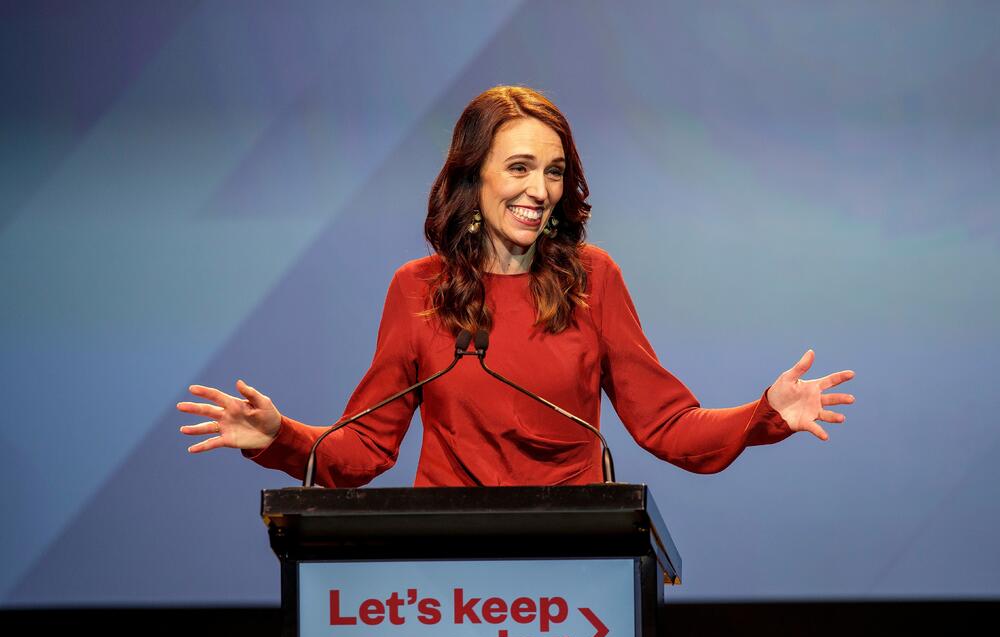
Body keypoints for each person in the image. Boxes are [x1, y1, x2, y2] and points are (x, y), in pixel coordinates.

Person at [177, 86, 855, 487]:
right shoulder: (417, 290)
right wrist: (278, 435)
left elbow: (667, 425)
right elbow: (364, 449)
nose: (541, 190)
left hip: (575, 571)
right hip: (449, 579)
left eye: (555, 171)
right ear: (475, 178)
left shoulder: (595, 279)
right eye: (522, 167)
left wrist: (766, 411)